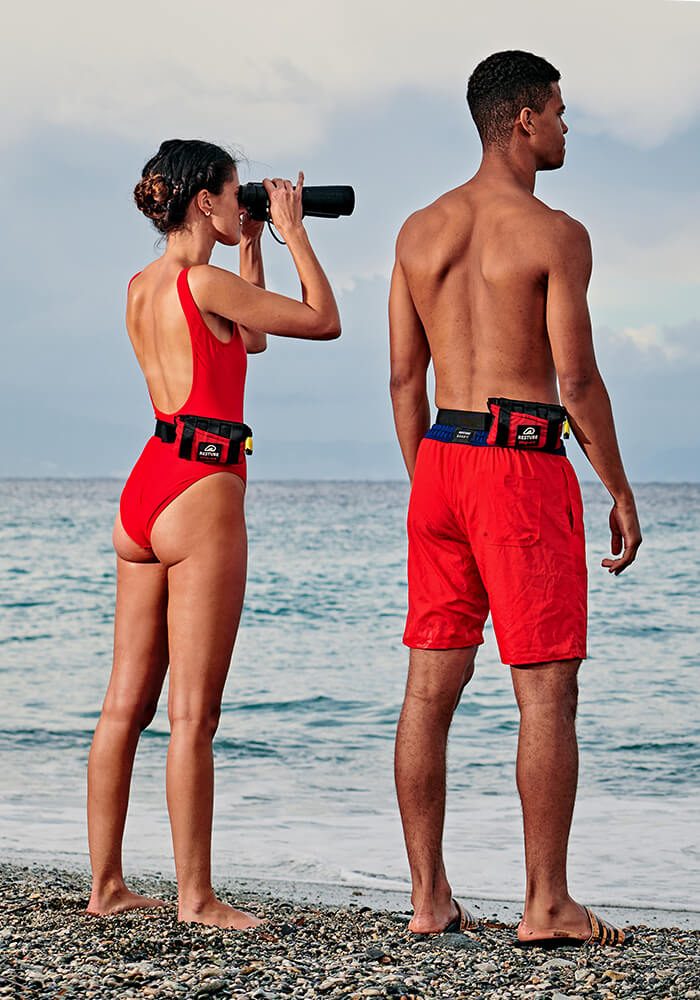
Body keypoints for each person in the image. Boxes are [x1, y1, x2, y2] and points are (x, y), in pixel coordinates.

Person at [389, 51, 641, 948]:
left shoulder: (418, 231)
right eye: (562, 112)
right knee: (545, 694)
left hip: (441, 462)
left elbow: (402, 379)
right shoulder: (553, 232)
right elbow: (574, 379)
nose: (568, 127)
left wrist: (433, 481)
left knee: (429, 689)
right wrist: (617, 486)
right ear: (525, 119)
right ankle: (548, 904)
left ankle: (428, 900)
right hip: (520, 463)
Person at [86, 139, 340, 929]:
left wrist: (254, 245)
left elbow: (250, 338)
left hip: (148, 482)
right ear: (205, 201)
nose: (245, 207)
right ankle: (196, 897)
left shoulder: (147, 283)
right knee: (195, 714)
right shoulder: (205, 282)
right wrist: (296, 231)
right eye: (238, 196)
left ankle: (106, 887)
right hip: (202, 487)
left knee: (123, 706)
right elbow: (322, 322)